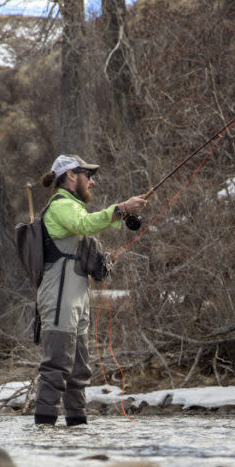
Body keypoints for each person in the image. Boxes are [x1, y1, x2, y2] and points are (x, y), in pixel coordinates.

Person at [33, 154, 147, 426]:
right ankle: (42, 438)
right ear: (71, 175)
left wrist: (123, 213)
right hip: (59, 298)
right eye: (88, 176)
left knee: (78, 371)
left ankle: (77, 431)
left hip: (75, 299)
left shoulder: (73, 207)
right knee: (56, 368)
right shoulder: (61, 205)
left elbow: (86, 224)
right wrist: (120, 208)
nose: (93, 182)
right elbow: (84, 224)